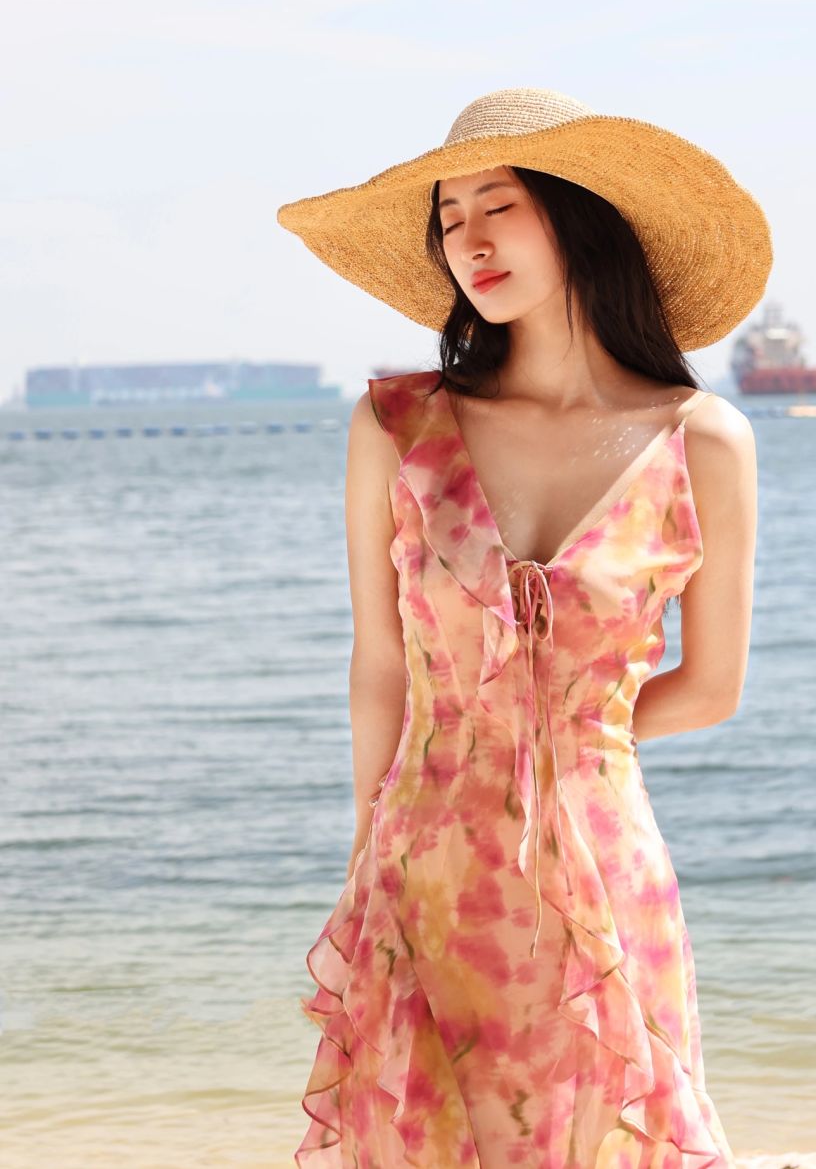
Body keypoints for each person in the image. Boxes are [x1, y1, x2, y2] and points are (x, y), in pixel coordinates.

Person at [277, 86, 771, 1169]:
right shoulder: (396, 425)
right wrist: (369, 849)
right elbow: (379, 666)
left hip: (603, 867)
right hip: (427, 865)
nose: (468, 241)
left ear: (579, 214)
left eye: (496, 205)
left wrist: (568, 740)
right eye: (448, 218)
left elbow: (713, 685)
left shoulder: (705, 443)